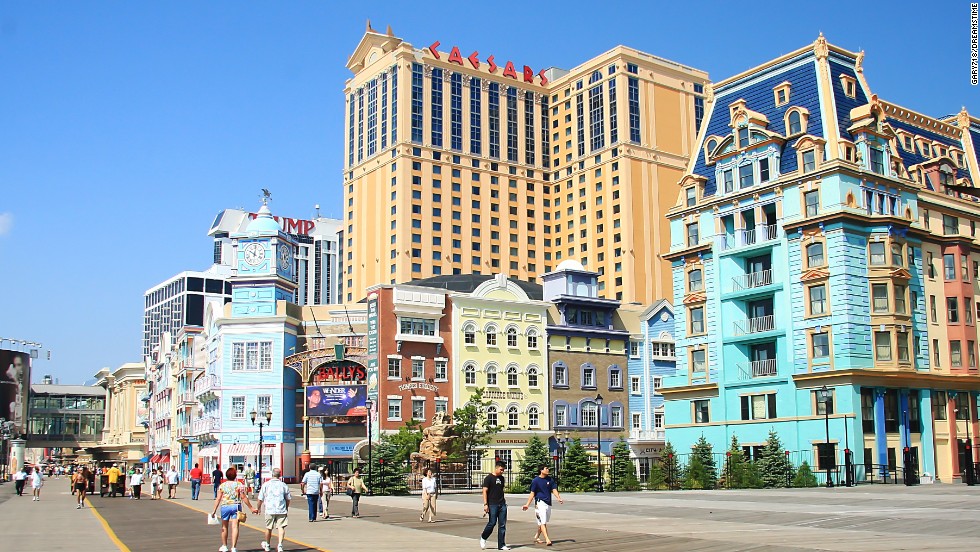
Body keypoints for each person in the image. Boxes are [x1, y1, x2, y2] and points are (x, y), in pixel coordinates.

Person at [211, 466, 255, 552]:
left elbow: (218, 498)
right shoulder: (239, 485)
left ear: (226, 476)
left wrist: (214, 510)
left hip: (225, 506)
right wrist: (251, 508)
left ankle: (224, 546)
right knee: (235, 527)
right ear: (235, 476)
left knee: (224, 526)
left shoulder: (222, 486)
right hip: (236, 506)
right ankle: (234, 547)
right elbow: (243, 497)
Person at [522, 465, 564, 546]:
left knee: (542, 522)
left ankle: (537, 536)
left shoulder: (550, 479)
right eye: (546, 468)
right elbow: (532, 493)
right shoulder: (536, 481)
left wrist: (558, 498)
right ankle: (547, 539)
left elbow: (554, 489)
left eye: (548, 468)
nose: (548, 470)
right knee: (543, 521)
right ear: (541, 470)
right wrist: (527, 504)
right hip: (540, 502)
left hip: (548, 503)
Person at [253, 467, 291, 552]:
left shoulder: (266, 484)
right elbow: (288, 499)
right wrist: (286, 507)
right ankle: (280, 545)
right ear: (279, 475)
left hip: (269, 509)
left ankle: (267, 544)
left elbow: (260, 498)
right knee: (281, 527)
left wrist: (258, 508)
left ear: (272, 474)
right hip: (281, 508)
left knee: (268, 528)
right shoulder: (283, 485)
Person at [479, 460, 509, 550]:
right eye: (501, 469)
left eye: (503, 470)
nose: (502, 471)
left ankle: (501, 544)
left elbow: (501, 490)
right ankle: (483, 537)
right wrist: (485, 504)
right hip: (492, 504)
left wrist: (503, 502)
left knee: (502, 525)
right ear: (496, 468)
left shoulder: (502, 478)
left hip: (502, 504)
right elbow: (484, 491)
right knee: (492, 523)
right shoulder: (488, 478)